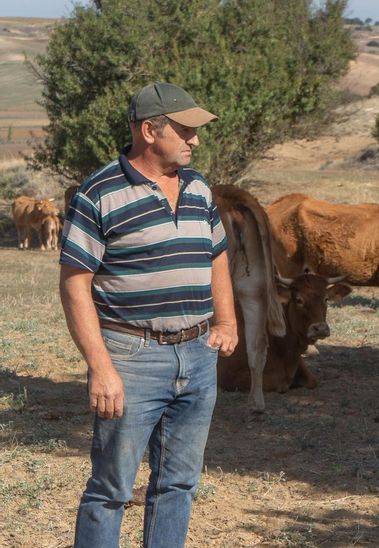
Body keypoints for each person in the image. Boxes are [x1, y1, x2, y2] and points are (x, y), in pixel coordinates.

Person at [59, 82, 237, 547]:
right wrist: (100, 368)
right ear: (149, 131)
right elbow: (74, 282)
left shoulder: (198, 187)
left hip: (198, 356)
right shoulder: (99, 193)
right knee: (111, 490)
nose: (195, 140)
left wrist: (226, 322)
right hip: (131, 358)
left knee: (179, 484)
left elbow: (216, 256)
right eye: (185, 130)